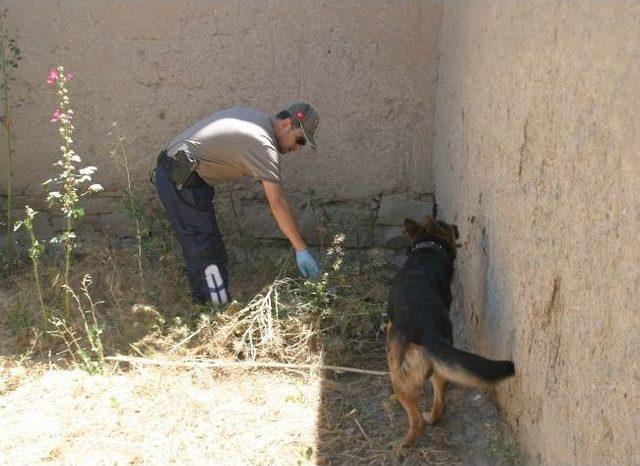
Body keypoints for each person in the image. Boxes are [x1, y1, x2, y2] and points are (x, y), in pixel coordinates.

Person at [154, 103, 320, 305]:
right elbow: (277, 203)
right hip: (182, 180)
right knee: (206, 251)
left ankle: (204, 307)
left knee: (203, 248)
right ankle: (215, 312)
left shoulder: (253, 118)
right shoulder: (263, 143)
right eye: (300, 139)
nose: (297, 148)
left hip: (180, 175)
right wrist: (301, 249)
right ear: (286, 124)